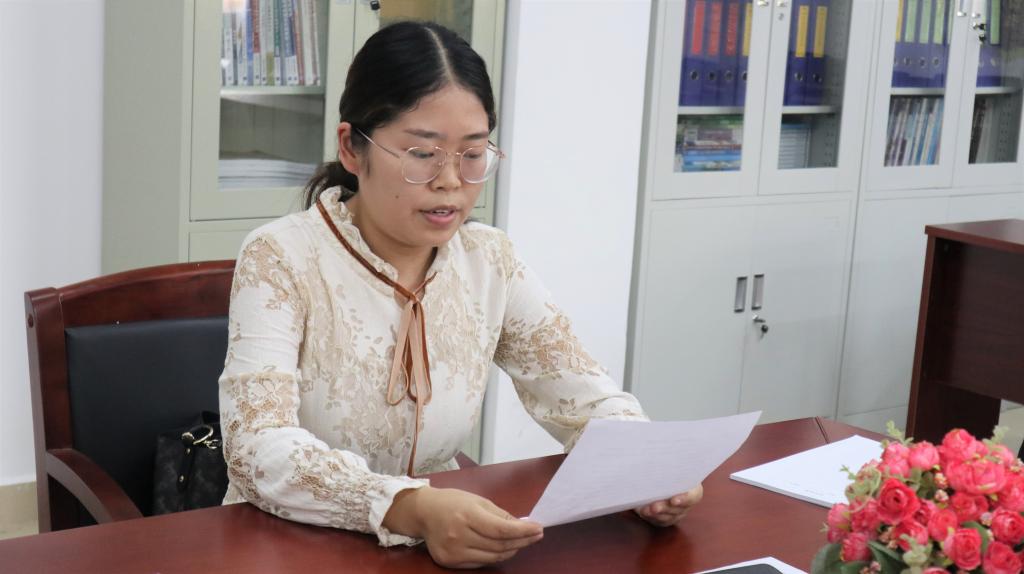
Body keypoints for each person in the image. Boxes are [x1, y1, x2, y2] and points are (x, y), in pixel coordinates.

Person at [219, 21, 702, 569]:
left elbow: (584, 397)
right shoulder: (280, 256)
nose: (450, 180)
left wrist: (649, 466)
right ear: (352, 148)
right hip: (287, 545)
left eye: (472, 154)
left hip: (438, 546)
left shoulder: (489, 259)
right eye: (422, 153)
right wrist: (410, 507)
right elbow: (257, 447)